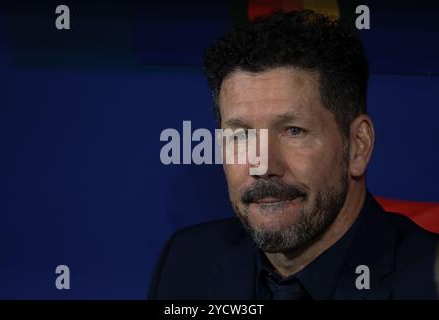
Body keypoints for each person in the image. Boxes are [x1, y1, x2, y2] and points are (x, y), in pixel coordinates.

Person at [148, 10, 439, 300]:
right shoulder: (186, 263)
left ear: (358, 145)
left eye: (293, 131)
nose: (263, 165)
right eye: (240, 135)